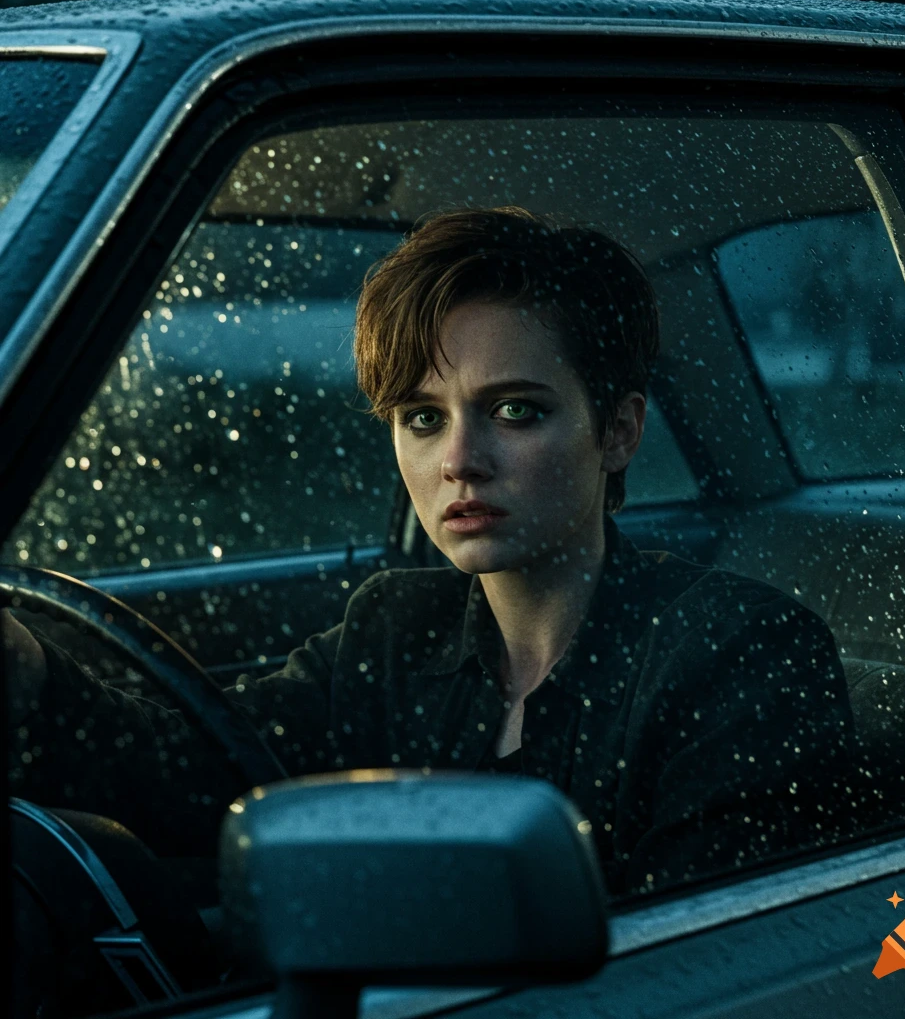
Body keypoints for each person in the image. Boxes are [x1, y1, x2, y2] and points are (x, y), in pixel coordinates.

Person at [3, 206, 857, 896]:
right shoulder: (394, 628)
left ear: (619, 431)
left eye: (515, 409)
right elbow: (196, 776)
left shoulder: (741, 652)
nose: (458, 460)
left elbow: (712, 960)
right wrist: (30, 672)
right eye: (422, 417)